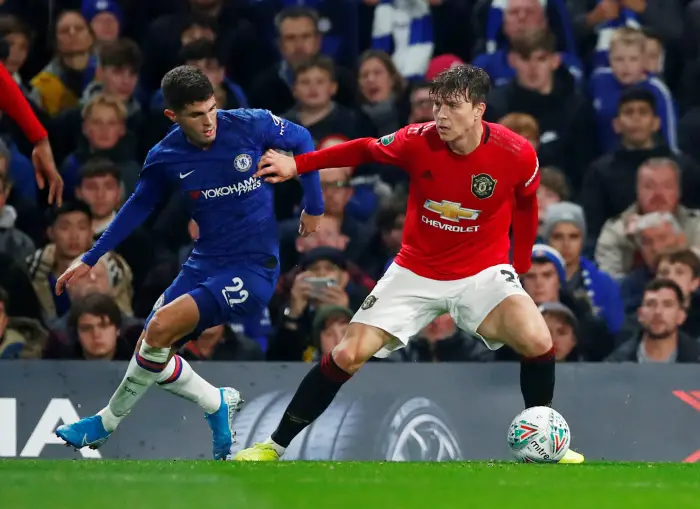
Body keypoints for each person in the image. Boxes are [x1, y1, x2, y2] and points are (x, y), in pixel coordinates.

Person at [235, 64, 583, 464]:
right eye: (437, 105)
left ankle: (546, 446)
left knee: (538, 340)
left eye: (452, 106)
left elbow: (525, 205)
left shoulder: (517, 154)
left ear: (479, 110)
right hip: (414, 272)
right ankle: (273, 446)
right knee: (348, 354)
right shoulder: (417, 141)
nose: (440, 115)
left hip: (482, 272)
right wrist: (299, 165)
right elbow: (363, 148)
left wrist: (519, 263)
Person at [52, 65, 324, 460]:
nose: (209, 121)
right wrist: (91, 255)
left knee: (159, 328)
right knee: (151, 346)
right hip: (205, 261)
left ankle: (104, 424)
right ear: (172, 116)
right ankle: (216, 403)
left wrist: (314, 205)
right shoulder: (165, 156)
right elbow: (139, 205)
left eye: (212, 109)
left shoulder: (251, 124)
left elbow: (302, 138)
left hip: (253, 269)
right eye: (196, 115)